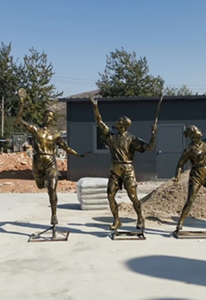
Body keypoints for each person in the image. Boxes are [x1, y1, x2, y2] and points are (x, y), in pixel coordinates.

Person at [16, 90, 90, 226]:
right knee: (40, 186)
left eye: (51, 116)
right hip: (38, 162)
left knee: (52, 189)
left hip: (50, 162)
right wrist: (21, 104)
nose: (48, 118)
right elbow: (19, 120)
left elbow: (66, 148)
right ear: (43, 117)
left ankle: (54, 215)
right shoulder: (35, 129)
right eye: (47, 116)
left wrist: (79, 155)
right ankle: (43, 182)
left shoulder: (56, 134)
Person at [91, 98, 157, 232]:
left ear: (124, 125)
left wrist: (153, 135)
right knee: (110, 195)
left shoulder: (132, 139)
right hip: (115, 170)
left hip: (127, 170)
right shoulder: (111, 136)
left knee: (133, 197)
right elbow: (99, 122)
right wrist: (95, 107)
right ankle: (117, 220)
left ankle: (140, 218)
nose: (117, 121)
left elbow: (149, 147)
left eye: (120, 121)